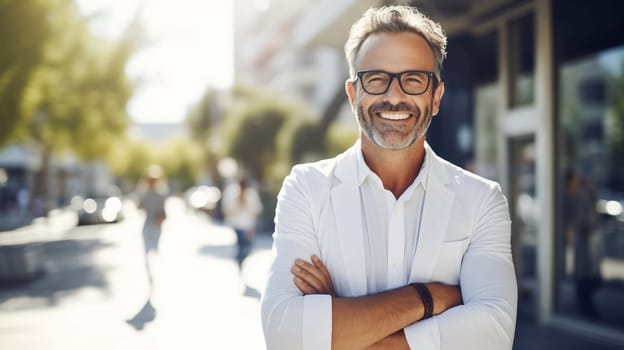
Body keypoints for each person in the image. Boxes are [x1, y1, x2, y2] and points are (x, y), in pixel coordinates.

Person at [261, 5, 517, 350]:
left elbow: (493, 334)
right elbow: (285, 334)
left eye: (413, 79)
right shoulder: (306, 189)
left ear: (436, 96)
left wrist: (338, 328)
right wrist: (430, 298)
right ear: (354, 94)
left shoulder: (482, 200)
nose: (395, 96)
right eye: (377, 79)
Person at [222, 175, 263, 269]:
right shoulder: (232, 193)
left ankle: (240, 260)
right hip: (237, 225)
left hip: (248, 225)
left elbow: (256, 211)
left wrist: (253, 226)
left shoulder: (251, 194)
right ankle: (239, 261)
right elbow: (227, 210)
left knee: (248, 247)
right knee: (241, 246)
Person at [138, 165, 167, 295]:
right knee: (146, 254)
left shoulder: (161, 195)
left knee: (154, 253)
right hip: (146, 227)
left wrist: (159, 218)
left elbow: (165, 214)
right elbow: (139, 207)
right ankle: (150, 275)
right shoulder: (144, 194)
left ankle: (154, 274)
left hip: (156, 228)